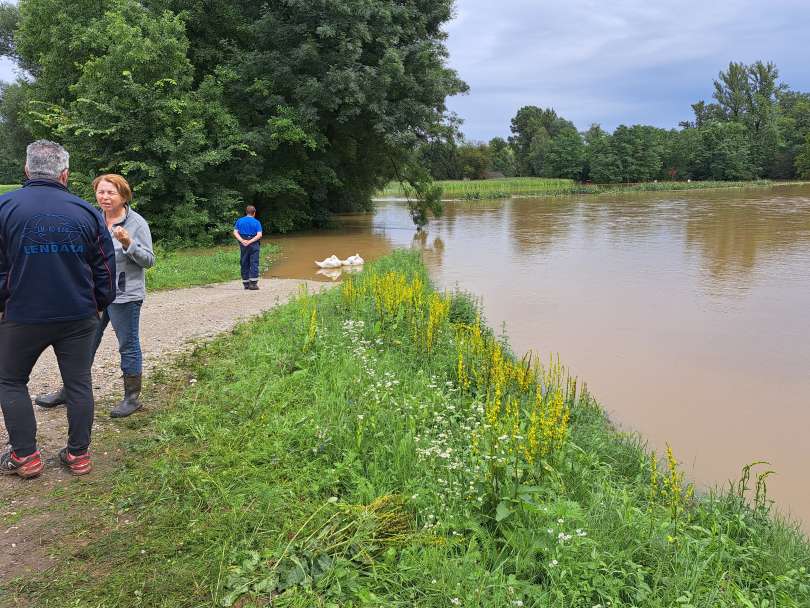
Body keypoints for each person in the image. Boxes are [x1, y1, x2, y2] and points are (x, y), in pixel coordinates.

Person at [0, 140, 115, 478]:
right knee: (78, 384)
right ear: (65, 174)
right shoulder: (86, 212)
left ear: (26, 170)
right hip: (79, 315)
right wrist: (98, 305)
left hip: (21, 315)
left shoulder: (4, 207)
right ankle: (79, 455)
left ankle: (26, 457)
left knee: (10, 381)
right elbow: (105, 268)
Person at [36, 174, 154, 418]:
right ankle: (69, 391)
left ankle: (131, 398)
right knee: (83, 343)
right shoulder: (92, 218)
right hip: (94, 294)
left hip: (125, 295)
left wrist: (128, 243)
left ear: (123, 196)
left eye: (111, 193)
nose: (105, 197)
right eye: (101, 192)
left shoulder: (137, 223)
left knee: (127, 345)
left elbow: (149, 261)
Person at [233, 205, 263, 290]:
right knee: (254, 263)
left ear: (246, 212)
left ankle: (246, 284)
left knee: (244, 262)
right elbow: (259, 235)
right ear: (254, 213)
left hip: (243, 244)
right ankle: (253, 284)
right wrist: (250, 241)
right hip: (253, 243)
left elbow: (235, 232)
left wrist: (242, 241)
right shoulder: (256, 222)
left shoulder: (240, 221)